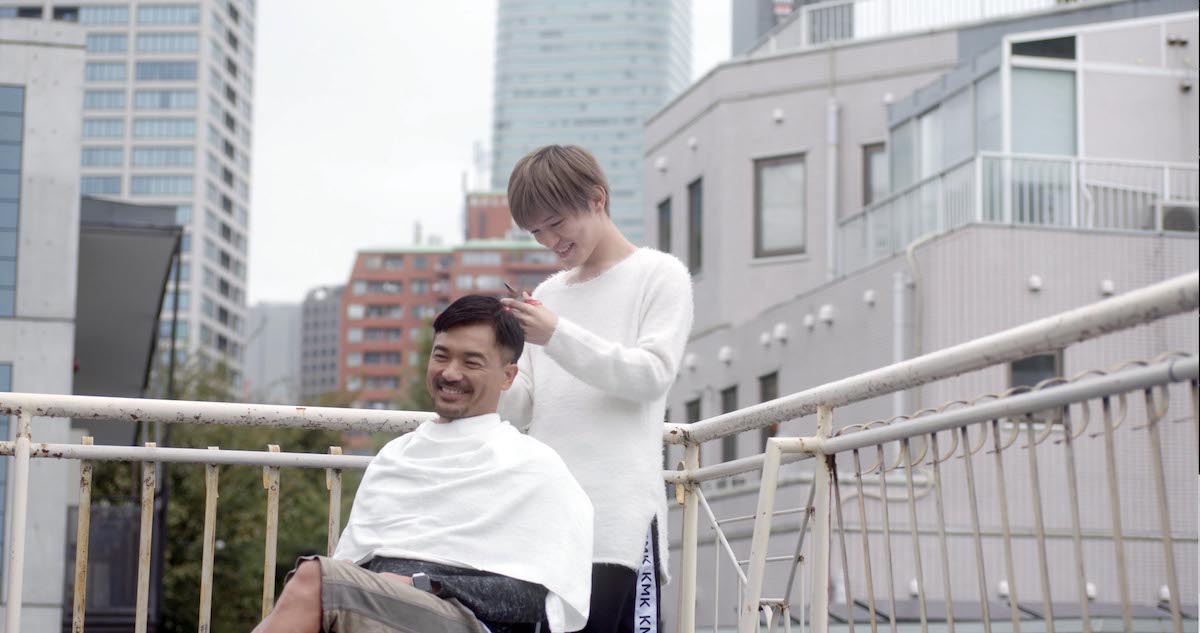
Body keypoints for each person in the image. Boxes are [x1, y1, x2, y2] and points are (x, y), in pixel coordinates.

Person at [252, 295, 594, 633]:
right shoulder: (395, 455)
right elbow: (352, 564)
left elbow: (540, 599)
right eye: (441, 356)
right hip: (375, 610)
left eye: (471, 362)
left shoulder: (533, 466)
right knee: (314, 584)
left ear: (508, 376)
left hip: (467, 622)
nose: (450, 373)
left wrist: (423, 584)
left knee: (314, 579)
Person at [499, 145, 694, 632]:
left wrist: (556, 334)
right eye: (536, 232)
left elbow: (651, 375)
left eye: (555, 222)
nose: (550, 240)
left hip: (619, 522)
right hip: (547, 521)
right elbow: (522, 409)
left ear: (597, 199)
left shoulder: (659, 274)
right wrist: (488, 367)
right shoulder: (549, 295)